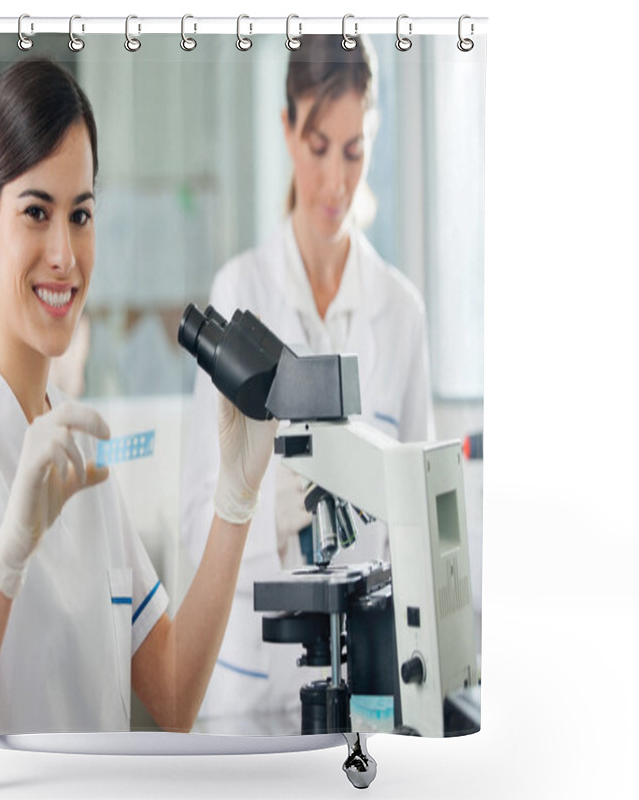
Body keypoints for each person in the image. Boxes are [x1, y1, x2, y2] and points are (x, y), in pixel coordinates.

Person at [0, 58, 277, 736]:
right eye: (36, 212)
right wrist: (7, 558)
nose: (64, 254)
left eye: (81, 214)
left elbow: (175, 695)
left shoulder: (78, 440)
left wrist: (235, 502)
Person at [180, 36, 435, 725]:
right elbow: (193, 512)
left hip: (371, 681)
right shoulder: (241, 290)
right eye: (319, 147)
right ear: (287, 128)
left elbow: (422, 509)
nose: (334, 182)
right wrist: (276, 505)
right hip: (252, 685)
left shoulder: (401, 311)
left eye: (354, 151)